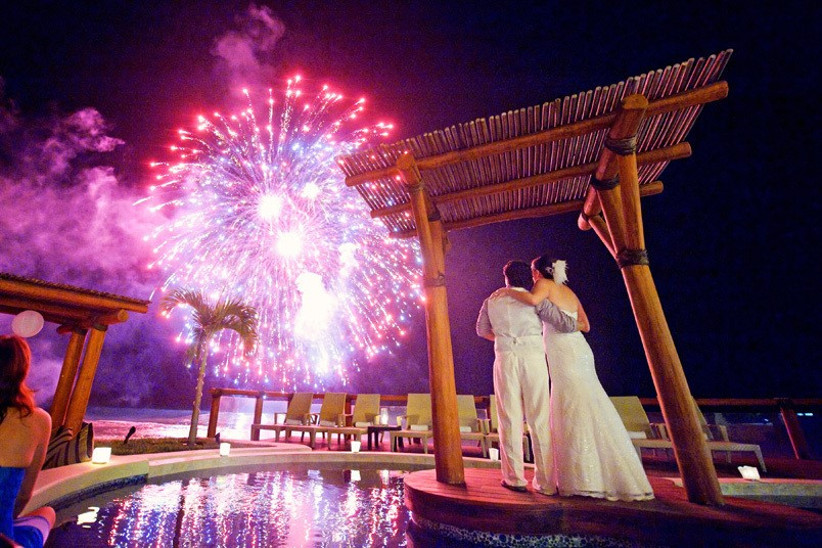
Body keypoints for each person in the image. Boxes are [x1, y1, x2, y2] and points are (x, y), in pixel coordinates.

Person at [500, 254, 654, 501]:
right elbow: (586, 325)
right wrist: (568, 324)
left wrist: (507, 291)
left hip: (563, 352)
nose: (532, 276)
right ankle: (602, 473)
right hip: (580, 350)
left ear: (539, 272)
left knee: (570, 404)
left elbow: (531, 300)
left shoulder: (543, 285)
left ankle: (581, 477)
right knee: (589, 401)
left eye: (533, 271)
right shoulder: (568, 291)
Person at [476, 260, 580, 495]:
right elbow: (561, 322)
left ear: (506, 278)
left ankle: (514, 479)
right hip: (532, 359)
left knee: (509, 419)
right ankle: (545, 482)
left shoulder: (491, 300)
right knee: (539, 419)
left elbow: (481, 330)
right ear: (528, 278)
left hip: (505, 360)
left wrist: (504, 338)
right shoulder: (535, 299)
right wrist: (580, 324)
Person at [0, 335, 56, 548]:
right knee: (48, 512)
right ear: (22, 370)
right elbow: (24, 495)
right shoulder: (39, 420)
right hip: (5, 538)